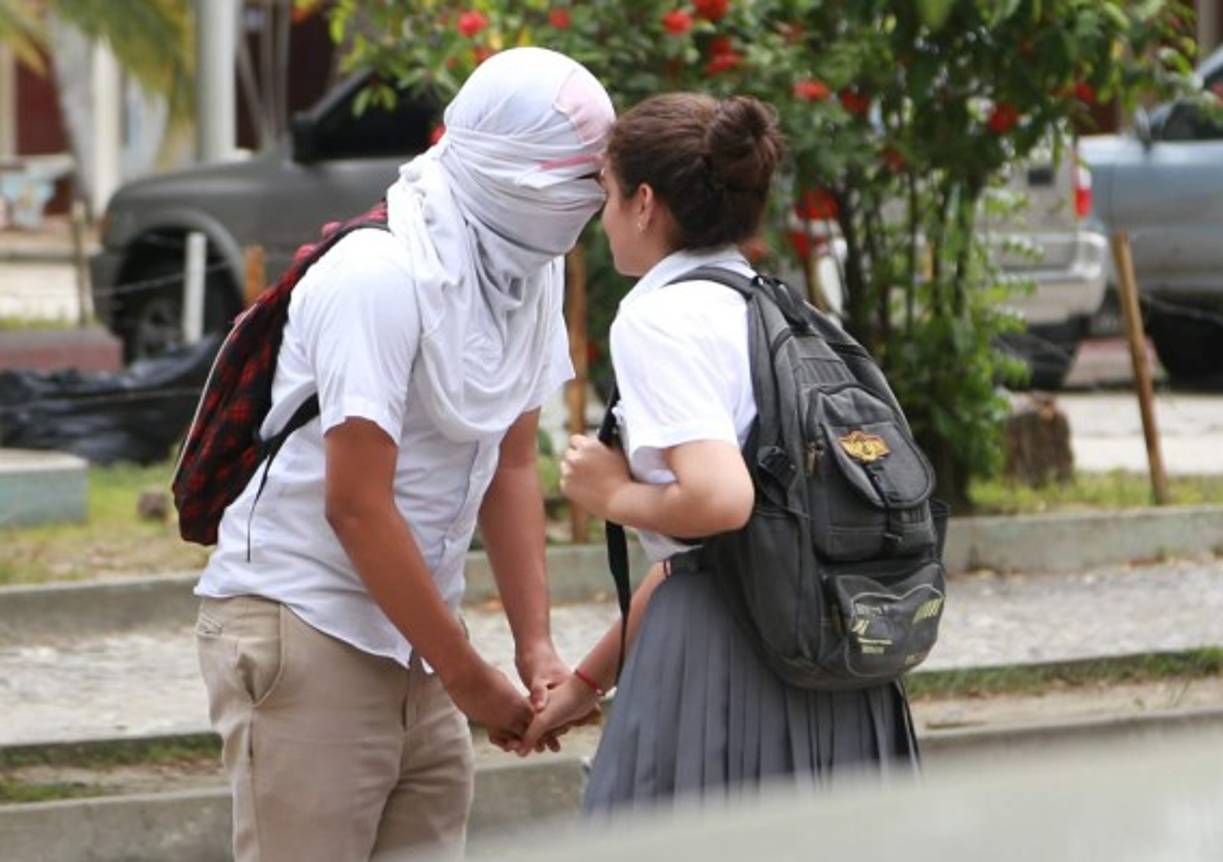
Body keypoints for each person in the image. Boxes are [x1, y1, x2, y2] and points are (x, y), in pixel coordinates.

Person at [193, 47, 614, 861]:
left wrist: (534, 648)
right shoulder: (377, 277)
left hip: (418, 633)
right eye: (575, 184)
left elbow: (512, 463)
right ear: (507, 176)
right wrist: (467, 675)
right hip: (309, 623)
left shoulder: (527, 273)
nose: (589, 207)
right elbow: (355, 503)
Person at [518, 93, 919, 811]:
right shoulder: (773, 305)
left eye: (607, 192)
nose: (602, 217)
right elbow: (708, 550)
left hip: (723, 658)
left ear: (644, 203)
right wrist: (586, 682)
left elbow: (717, 502)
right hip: (822, 640)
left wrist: (610, 494)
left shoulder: (660, 317)